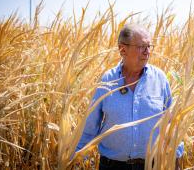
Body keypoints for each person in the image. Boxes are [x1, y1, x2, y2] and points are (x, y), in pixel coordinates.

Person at [76, 24, 183, 170]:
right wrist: (76, 158)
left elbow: (171, 122)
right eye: (141, 47)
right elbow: (90, 125)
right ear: (123, 49)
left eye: (149, 46)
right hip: (112, 166)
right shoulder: (108, 80)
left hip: (152, 165)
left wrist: (175, 156)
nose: (147, 52)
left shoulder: (159, 79)